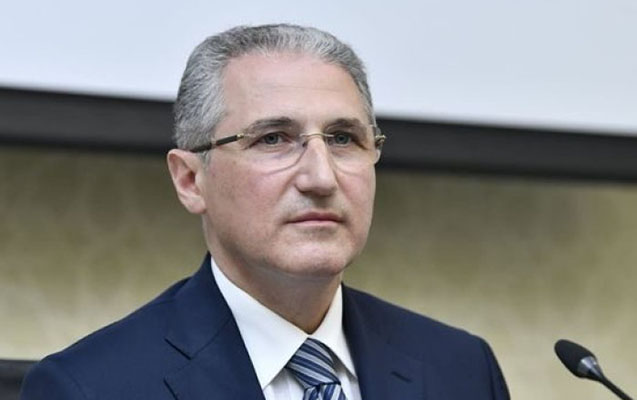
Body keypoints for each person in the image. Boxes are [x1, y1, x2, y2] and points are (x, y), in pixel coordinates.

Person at [21, 24, 510, 399]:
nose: (321, 177)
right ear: (190, 180)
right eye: (273, 139)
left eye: (343, 138)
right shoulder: (90, 388)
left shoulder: (462, 370)